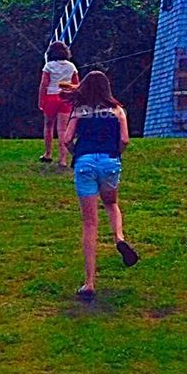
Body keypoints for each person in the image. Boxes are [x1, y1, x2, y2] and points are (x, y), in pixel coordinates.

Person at [60, 70, 139, 302]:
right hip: (110, 161)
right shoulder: (117, 110)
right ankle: (119, 238)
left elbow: (66, 140)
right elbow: (124, 140)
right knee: (112, 203)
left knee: (89, 223)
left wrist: (78, 154)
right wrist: (116, 155)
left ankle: (90, 282)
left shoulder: (80, 110)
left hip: (85, 163)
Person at [38, 41, 79, 168]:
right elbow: (76, 84)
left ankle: (48, 153)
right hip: (65, 98)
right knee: (63, 129)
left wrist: (41, 99)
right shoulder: (71, 66)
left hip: (51, 96)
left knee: (48, 125)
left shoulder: (49, 66)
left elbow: (44, 84)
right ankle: (63, 159)